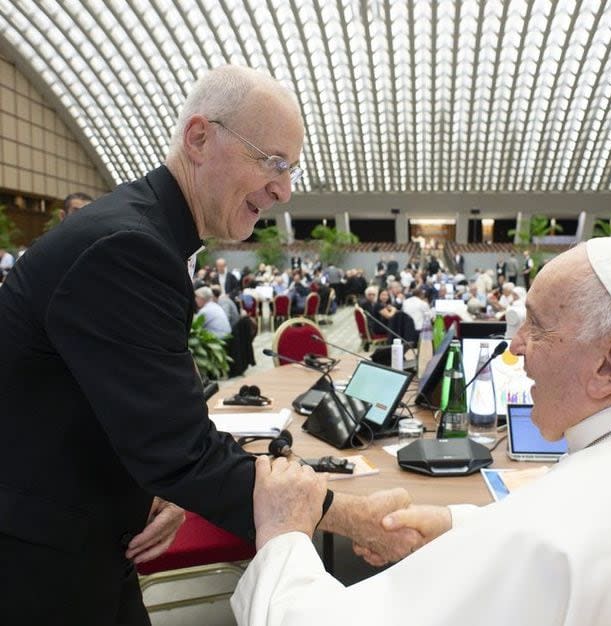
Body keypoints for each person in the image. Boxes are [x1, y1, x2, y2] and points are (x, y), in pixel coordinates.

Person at [0, 66, 417, 626]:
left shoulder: (142, 233)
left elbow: (141, 419)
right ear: (199, 138)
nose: (284, 189)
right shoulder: (126, 248)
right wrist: (351, 515)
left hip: (77, 538)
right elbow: (181, 450)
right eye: (272, 162)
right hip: (38, 562)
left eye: (291, 169)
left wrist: (164, 482)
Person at [231, 237, 611, 626]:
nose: (514, 346)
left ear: (610, 365)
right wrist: (455, 524)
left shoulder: (553, 535)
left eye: (538, 325)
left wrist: (283, 536)